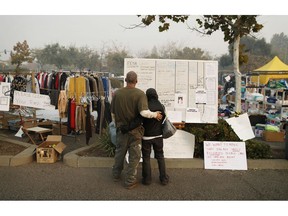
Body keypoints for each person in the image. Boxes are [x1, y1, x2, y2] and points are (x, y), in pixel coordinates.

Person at [110, 71, 162, 189]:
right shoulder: (140, 94)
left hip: (121, 130)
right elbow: (143, 112)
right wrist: (155, 115)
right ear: (136, 81)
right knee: (134, 157)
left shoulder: (117, 93)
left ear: (126, 80)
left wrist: (117, 124)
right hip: (135, 131)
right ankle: (130, 181)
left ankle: (115, 175)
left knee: (119, 153)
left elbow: (112, 112)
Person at [141, 88, 169, 186]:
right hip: (158, 136)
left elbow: (141, 119)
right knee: (160, 157)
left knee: (146, 157)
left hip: (146, 137)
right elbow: (164, 118)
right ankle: (163, 179)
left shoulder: (145, 106)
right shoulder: (161, 106)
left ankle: (147, 179)